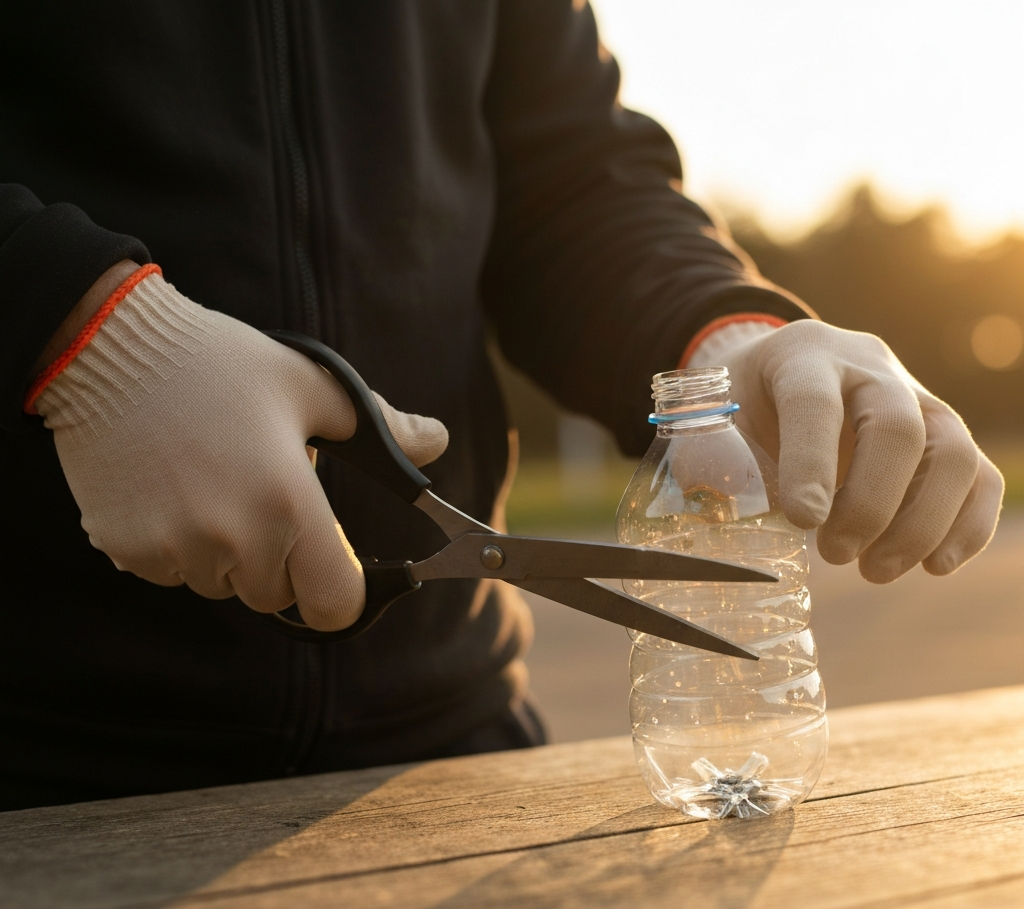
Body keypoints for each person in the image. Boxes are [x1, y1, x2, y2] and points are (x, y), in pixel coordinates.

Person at [0, 2, 1002, 810]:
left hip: (450, 758)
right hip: (39, 769)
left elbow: (566, 184)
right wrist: (75, 327)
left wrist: (721, 335)